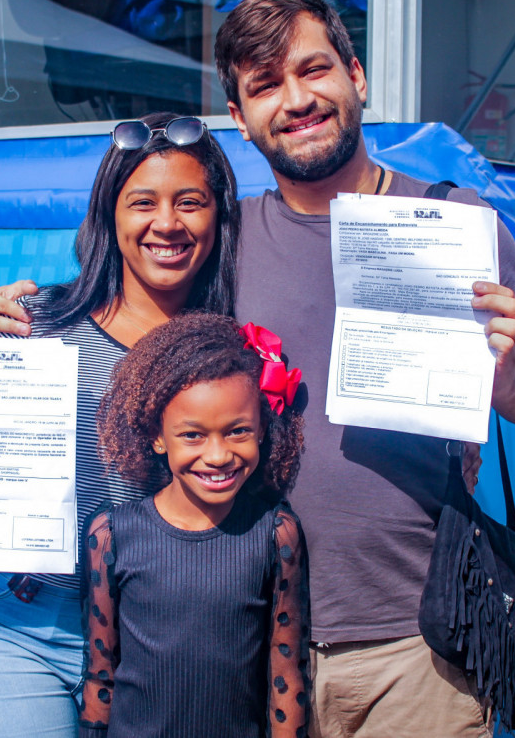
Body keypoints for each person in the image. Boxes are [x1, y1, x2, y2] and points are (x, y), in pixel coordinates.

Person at [0, 0, 515, 735]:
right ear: (239, 114)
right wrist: (14, 321)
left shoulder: (456, 222)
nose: (296, 101)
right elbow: (122, 315)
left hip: (412, 646)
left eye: (313, 70)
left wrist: (510, 379)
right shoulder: (223, 247)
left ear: (357, 75)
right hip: (248, 646)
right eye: (264, 86)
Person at [0, 111, 241, 737]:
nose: (167, 223)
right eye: (143, 202)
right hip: (7, 621)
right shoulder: (31, 323)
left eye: (190, 202)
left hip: (150, 634)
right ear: (109, 215)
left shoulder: (230, 352)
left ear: (219, 219)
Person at [81, 313, 308, 737]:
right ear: (156, 435)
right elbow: (100, 676)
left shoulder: (276, 533)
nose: (219, 455)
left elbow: (288, 678)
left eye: (238, 430)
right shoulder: (111, 535)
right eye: (193, 436)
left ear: (262, 429)